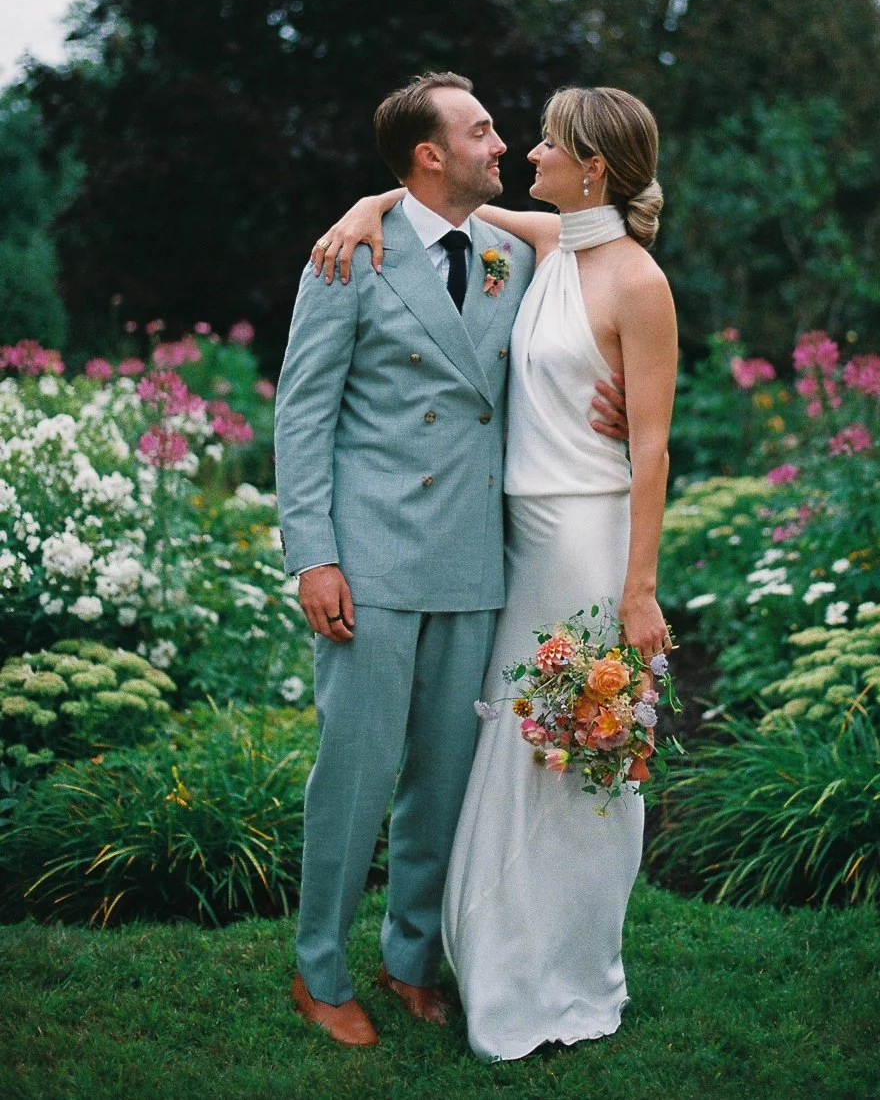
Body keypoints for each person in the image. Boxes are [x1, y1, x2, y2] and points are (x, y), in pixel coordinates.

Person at [314, 83, 677, 1060]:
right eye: (494, 133)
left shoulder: (626, 280)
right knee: (504, 757)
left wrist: (639, 590)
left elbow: (653, 451)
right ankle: (460, 960)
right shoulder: (547, 245)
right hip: (499, 548)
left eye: (547, 142)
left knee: (573, 751)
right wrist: (364, 205)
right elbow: (432, 202)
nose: (521, 151)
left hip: (580, 548)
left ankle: (552, 966)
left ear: (591, 166)